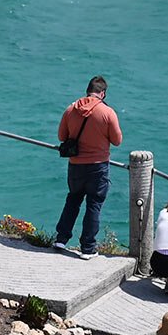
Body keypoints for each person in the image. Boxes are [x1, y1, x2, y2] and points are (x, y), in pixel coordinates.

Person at [54, 75, 122, 257]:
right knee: (94, 205)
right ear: (103, 93)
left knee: (73, 200)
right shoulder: (108, 113)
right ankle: (87, 248)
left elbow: (62, 137)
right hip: (98, 166)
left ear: (88, 90)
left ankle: (61, 239)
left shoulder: (71, 109)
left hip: (75, 165)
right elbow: (117, 141)